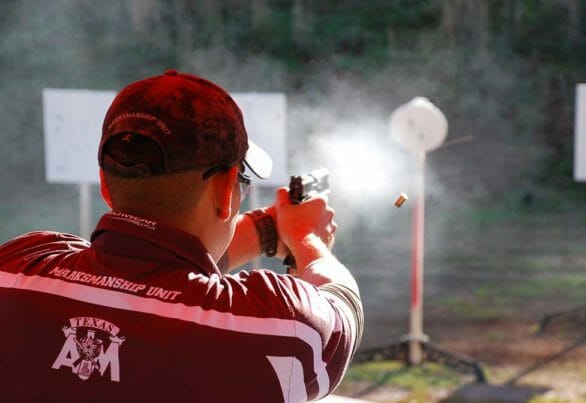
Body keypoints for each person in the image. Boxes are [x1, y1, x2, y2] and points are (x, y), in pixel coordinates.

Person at [0, 70, 363, 402]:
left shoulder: (19, 266)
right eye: (242, 184)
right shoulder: (280, 327)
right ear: (225, 191)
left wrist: (267, 230)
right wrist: (308, 240)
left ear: (106, 186)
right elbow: (341, 306)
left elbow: (143, 266)